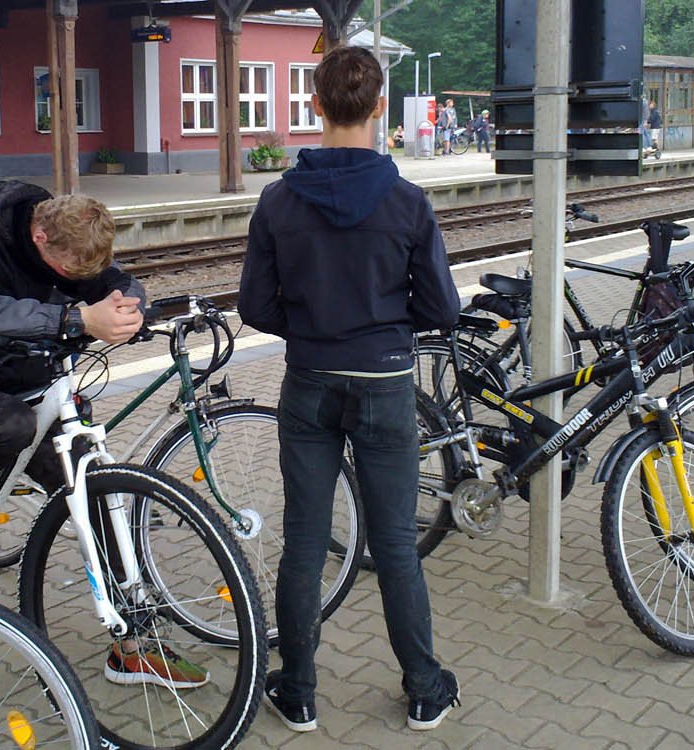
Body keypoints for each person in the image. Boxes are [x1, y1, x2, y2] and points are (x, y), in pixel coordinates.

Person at [0, 181, 211, 686]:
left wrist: (126, 305)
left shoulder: (70, 237)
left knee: (89, 483)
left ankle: (132, 646)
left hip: (19, 380)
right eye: (67, 271)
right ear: (39, 235)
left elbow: (112, 282)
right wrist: (75, 317)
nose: (72, 278)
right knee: (10, 425)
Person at [238, 46, 462, 733]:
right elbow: (444, 310)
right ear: (378, 110)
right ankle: (424, 687)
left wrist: (307, 328)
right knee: (395, 541)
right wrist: (390, 327)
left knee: (305, 538)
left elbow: (253, 305)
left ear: (315, 107)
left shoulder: (278, 201)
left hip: (308, 381)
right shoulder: (407, 201)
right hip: (386, 380)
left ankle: (297, 690)